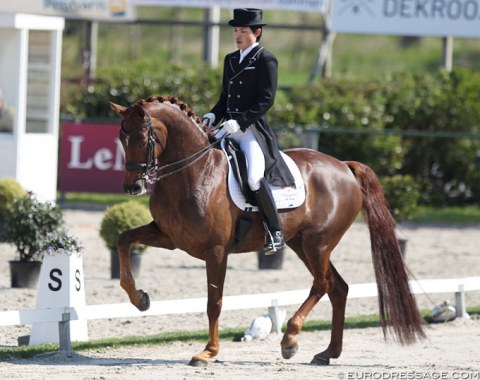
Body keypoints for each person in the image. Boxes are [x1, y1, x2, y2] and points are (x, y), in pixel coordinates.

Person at [203, 8, 295, 253]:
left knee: (254, 177)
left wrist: (240, 122)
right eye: (235, 30)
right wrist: (214, 114)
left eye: (243, 31)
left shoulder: (266, 59)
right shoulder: (230, 59)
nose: (238, 35)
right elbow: (225, 97)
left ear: (257, 32)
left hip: (251, 131)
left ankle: (274, 231)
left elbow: (266, 100)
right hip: (227, 128)